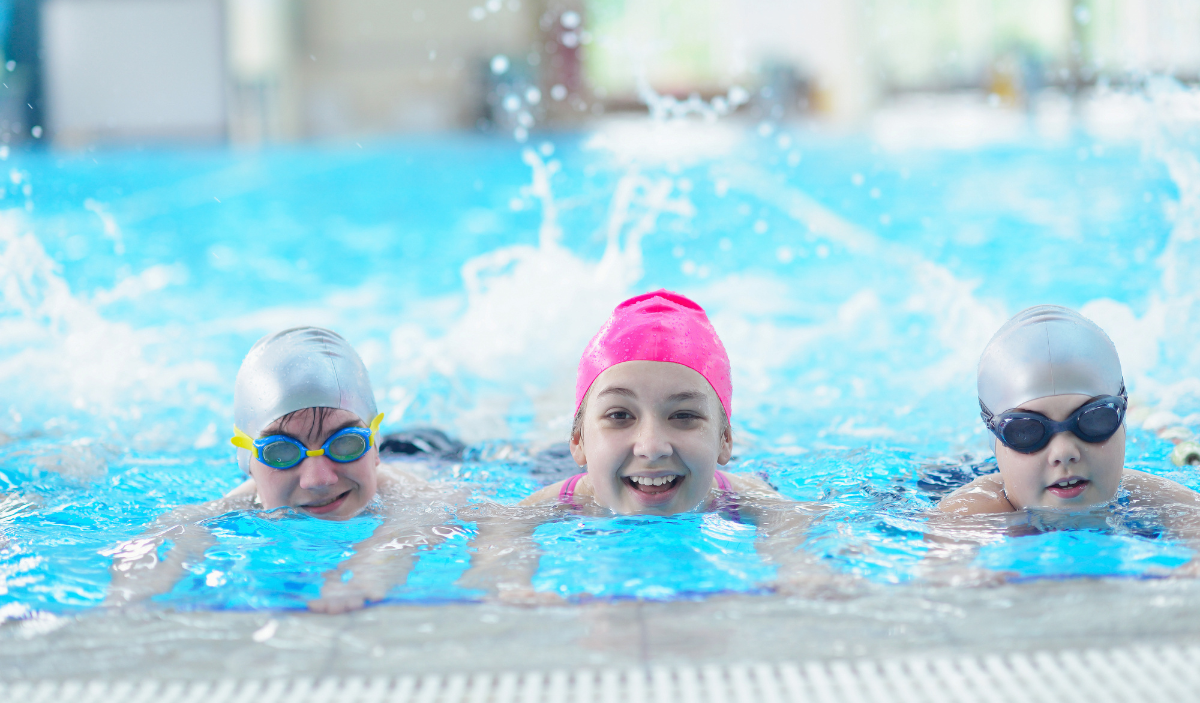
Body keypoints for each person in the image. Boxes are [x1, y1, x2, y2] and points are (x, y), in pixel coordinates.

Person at [460, 290, 828, 601]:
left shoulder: (737, 494)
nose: (652, 447)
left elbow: (789, 517)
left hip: (635, 458)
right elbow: (503, 527)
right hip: (551, 462)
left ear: (725, 442)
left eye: (684, 415)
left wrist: (800, 568)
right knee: (529, 435)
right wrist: (510, 581)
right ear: (578, 442)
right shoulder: (568, 498)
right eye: (620, 415)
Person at [106, 326, 462, 613]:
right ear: (247, 462)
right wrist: (134, 591)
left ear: (375, 446)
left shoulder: (410, 493)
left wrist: (366, 575)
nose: (319, 479)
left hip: (430, 451)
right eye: (280, 452)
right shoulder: (236, 504)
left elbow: (421, 527)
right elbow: (170, 532)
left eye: (347, 443)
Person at [934, 305, 1200, 544]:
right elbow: (944, 583)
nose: (1064, 452)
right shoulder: (967, 515)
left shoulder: (1157, 499)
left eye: (1094, 419)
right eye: (1026, 431)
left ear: (1122, 421)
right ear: (995, 440)